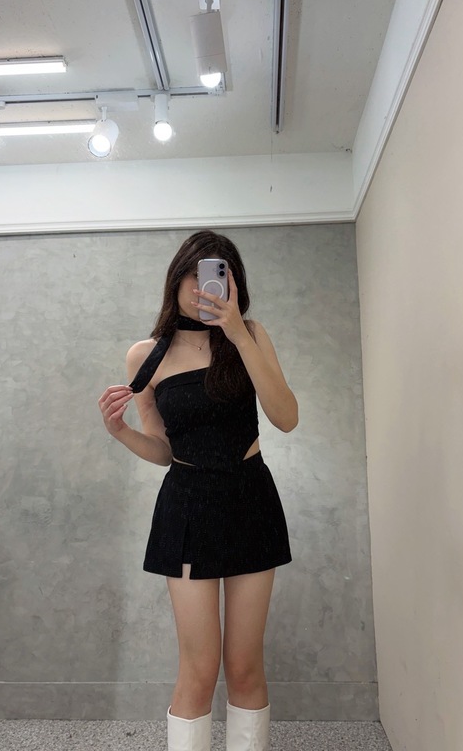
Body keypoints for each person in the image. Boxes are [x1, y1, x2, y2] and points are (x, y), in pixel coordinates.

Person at [98, 230, 298, 751]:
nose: (200, 286)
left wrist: (237, 334)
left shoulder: (251, 334)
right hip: (186, 508)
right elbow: (165, 450)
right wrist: (121, 433)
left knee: (245, 665)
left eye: (213, 275)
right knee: (200, 666)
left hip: (250, 498)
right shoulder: (146, 355)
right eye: (192, 273)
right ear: (176, 278)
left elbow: (286, 417)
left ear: (233, 284)